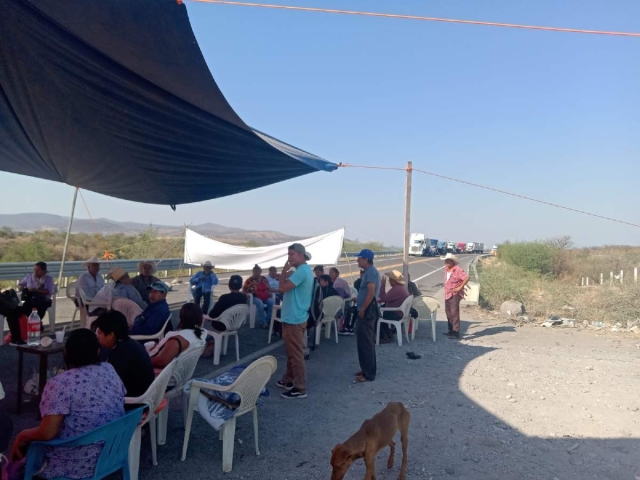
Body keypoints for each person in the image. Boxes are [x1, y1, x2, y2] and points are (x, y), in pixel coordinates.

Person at [9, 329, 125, 479]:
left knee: (25, 444)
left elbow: (47, 433)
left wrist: (22, 434)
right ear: (97, 352)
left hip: (75, 464)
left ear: (66, 352)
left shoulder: (60, 383)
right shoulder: (109, 370)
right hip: (112, 453)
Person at [276, 243, 314, 399]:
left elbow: (282, 287)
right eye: (288, 254)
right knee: (292, 351)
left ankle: (300, 387)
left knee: (296, 354)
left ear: (300, 255)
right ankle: (288, 379)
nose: (289, 257)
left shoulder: (300, 272)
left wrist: (285, 269)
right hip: (296, 316)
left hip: (294, 317)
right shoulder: (304, 271)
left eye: (291, 254)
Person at [93, 310, 155, 397]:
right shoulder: (130, 344)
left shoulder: (120, 354)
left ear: (111, 335)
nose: (97, 336)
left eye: (99, 333)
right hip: (145, 394)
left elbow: (112, 387)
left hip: (135, 401)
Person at [5, 262, 54, 345]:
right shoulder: (29, 277)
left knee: (27, 312)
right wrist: (21, 287)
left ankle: (22, 335)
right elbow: (20, 285)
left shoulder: (48, 279)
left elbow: (48, 292)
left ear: (44, 271)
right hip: (27, 301)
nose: (35, 272)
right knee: (13, 311)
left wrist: (36, 290)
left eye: (38, 270)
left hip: (40, 302)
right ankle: (16, 337)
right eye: (34, 269)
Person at [148, 303, 206, 373]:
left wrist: (139, 360)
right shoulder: (202, 333)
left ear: (180, 318)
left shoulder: (176, 339)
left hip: (162, 376)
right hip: (179, 374)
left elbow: (162, 361)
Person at [203, 275, 247, 358]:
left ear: (229, 285)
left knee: (204, 318)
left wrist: (205, 317)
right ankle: (212, 341)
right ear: (241, 286)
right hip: (235, 325)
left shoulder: (224, 298)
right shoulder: (244, 298)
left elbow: (212, 315)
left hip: (221, 325)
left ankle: (205, 343)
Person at [354, 249, 380, 383]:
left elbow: (371, 291)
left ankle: (368, 373)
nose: (357, 260)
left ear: (366, 259)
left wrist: (363, 308)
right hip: (365, 309)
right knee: (363, 342)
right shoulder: (369, 272)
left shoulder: (370, 272)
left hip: (367, 311)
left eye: (359, 258)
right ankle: (365, 369)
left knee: (366, 343)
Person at [378, 270, 411, 343]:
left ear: (394, 281)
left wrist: (383, 285)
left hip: (396, 313)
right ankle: (389, 334)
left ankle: (383, 336)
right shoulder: (402, 287)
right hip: (400, 312)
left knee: (376, 314)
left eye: (390, 279)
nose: (389, 281)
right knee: (380, 311)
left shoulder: (396, 289)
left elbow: (383, 298)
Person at [442, 253, 469, 339]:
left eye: (448, 261)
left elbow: (466, 278)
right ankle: (450, 330)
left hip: (454, 294)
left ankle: (455, 332)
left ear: (452, 262)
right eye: (445, 261)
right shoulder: (447, 269)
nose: (446, 262)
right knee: (448, 312)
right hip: (447, 293)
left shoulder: (457, 270)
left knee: (454, 313)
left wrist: (460, 287)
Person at [243, 265, 274, 329]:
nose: (256, 273)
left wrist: (273, 291)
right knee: (260, 303)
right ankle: (262, 322)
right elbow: (244, 290)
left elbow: (268, 287)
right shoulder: (249, 280)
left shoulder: (264, 279)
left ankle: (267, 320)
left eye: (258, 271)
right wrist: (247, 294)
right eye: (255, 271)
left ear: (260, 272)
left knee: (272, 302)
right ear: (253, 272)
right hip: (254, 297)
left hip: (264, 296)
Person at [339, 269, 364, 336]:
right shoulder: (358, 282)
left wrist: (357, 299)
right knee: (350, 308)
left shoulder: (367, 283)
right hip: (361, 301)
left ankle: (349, 328)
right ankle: (347, 326)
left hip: (363, 304)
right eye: (361, 273)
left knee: (352, 310)